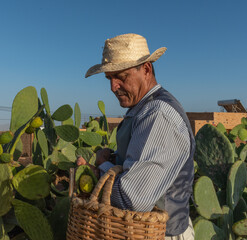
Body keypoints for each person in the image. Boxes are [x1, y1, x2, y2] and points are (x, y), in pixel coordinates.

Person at [78, 33, 195, 239]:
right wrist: (113, 159)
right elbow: (138, 160)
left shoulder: (158, 114)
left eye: (121, 77)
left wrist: (100, 169)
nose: (113, 87)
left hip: (160, 234)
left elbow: (132, 199)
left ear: (146, 69)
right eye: (109, 78)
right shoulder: (142, 107)